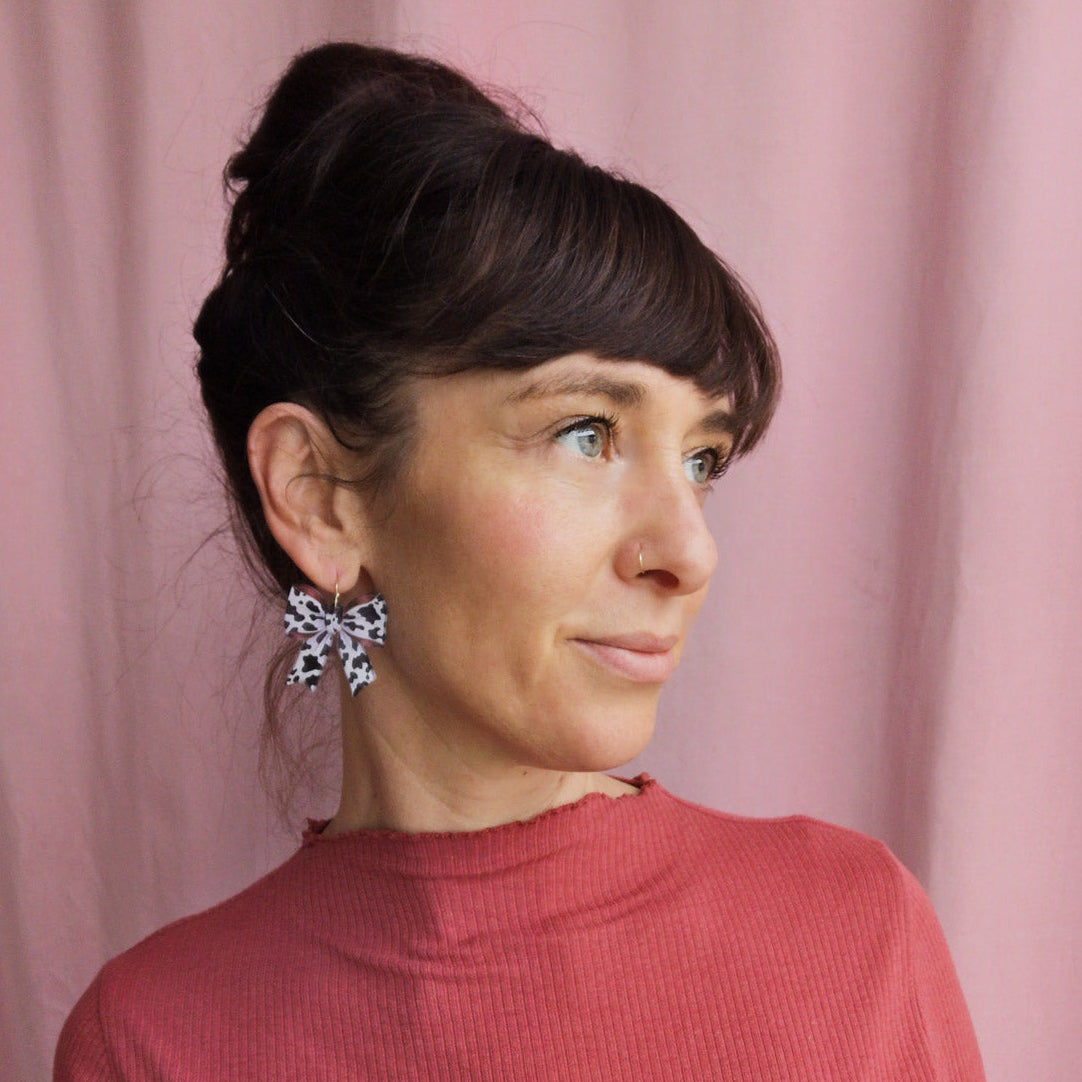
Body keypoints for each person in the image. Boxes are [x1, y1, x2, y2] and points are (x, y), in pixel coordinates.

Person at [55, 41, 984, 1081]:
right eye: (586, 432)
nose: (690, 551)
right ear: (319, 494)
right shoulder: (152, 1041)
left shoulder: (856, 935)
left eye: (701, 460)